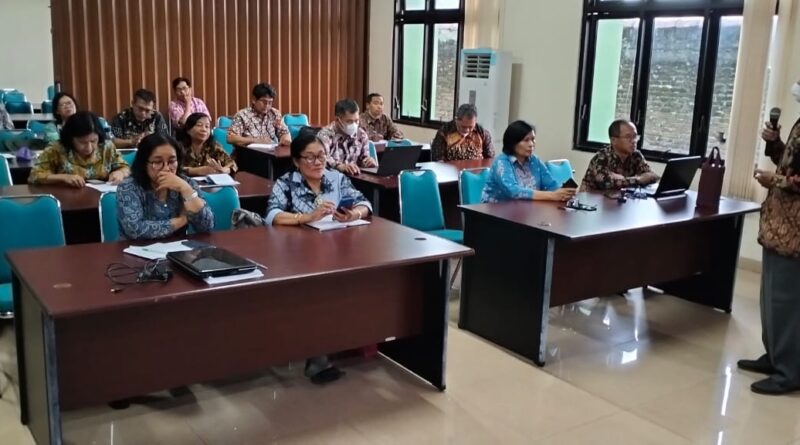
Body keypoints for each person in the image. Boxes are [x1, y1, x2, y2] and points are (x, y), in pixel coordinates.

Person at [265, 128, 371, 384]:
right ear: (296, 161)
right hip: (297, 256)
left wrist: (353, 214)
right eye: (310, 157)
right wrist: (306, 217)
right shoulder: (286, 183)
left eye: (321, 156)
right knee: (318, 292)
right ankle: (318, 357)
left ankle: (353, 341)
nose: (318, 162)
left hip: (334, 251)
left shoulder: (336, 178)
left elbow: (364, 203)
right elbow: (272, 215)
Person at [738, 79, 800, 396]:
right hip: (779, 227)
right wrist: (775, 144)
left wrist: (772, 180)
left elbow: (793, 179)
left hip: (795, 232)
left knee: (787, 302)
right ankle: (774, 356)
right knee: (771, 299)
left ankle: (789, 371)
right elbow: (789, 165)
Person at [117, 133, 214, 240]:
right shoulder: (128, 187)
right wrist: (183, 220)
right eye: (158, 162)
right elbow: (135, 230)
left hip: (178, 248)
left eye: (172, 161)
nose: (166, 168)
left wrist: (186, 190)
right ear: (144, 163)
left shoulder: (186, 183)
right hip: (137, 249)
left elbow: (207, 227)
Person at [481, 120, 576, 203]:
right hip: (495, 212)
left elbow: (550, 185)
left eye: (533, 139)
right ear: (513, 143)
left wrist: (563, 193)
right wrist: (552, 196)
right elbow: (514, 191)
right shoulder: (502, 162)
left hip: (525, 210)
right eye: (526, 140)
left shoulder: (535, 160)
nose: (531, 144)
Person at [28, 111, 129, 187]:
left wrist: (120, 173)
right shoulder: (56, 149)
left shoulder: (106, 147)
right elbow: (34, 175)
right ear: (71, 139)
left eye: (93, 141)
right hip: (66, 200)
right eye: (82, 142)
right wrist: (63, 178)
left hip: (100, 199)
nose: (89, 147)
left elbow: (125, 167)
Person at [579, 119, 659, 192]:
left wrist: (623, 179)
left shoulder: (636, 155)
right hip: (591, 200)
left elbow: (653, 176)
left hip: (619, 200)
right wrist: (639, 179)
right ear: (614, 140)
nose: (634, 141)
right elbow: (608, 183)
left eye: (635, 136)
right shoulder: (601, 157)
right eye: (628, 137)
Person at [318, 98, 377, 175]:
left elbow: (363, 159)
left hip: (355, 177)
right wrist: (339, 166)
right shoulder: (325, 135)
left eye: (356, 121)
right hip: (332, 177)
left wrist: (368, 162)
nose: (354, 125)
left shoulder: (361, 134)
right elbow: (321, 158)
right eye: (349, 121)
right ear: (337, 120)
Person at [227, 82, 291, 147]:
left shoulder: (275, 114)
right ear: (254, 100)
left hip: (269, 151)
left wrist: (285, 139)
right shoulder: (242, 115)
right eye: (264, 102)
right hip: (246, 152)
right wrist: (256, 140)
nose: (267, 105)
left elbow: (284, 132)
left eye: (270, 102)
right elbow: (231, 138)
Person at [431, 103, 495, 162]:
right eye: (463, 127)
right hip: (451, 169)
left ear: (475, 121)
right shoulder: (444, 132)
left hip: (476, 169)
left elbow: (490, 157)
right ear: (456, 119)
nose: (467, 130)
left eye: (471, 127)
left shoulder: (482, 133)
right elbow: (438, 158)